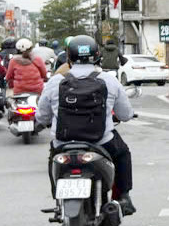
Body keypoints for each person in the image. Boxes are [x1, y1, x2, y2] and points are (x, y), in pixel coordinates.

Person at [37, 35, 136, 216]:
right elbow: (125, 114)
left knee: (53, 160)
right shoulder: (109, 80)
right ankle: (123, 196)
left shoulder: (55, 81)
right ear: (97, 55)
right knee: (122, 153)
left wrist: (46, 122)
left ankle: (58, 201)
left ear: (69, 57)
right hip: (102, 142)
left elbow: (42, 116)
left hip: (63, 144)